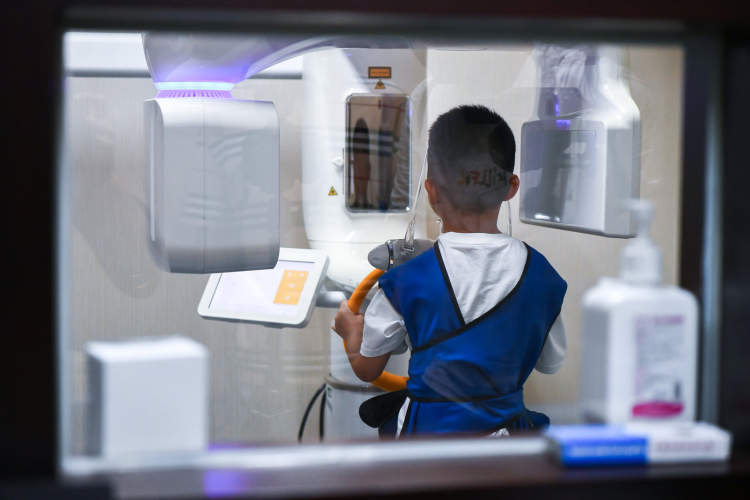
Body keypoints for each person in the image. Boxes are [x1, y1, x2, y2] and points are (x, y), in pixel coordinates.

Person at [333, 105, 567, 437]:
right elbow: (549, 363)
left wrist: (350, 332)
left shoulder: (405, 280)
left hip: (426, 447)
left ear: (431, 191)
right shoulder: (543, 278)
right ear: (511, 187)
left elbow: (367, 368)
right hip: (510, 450)